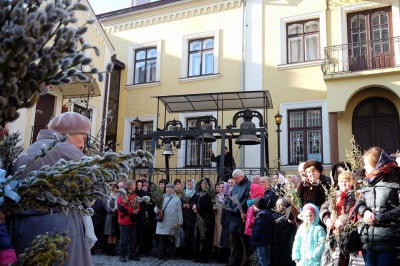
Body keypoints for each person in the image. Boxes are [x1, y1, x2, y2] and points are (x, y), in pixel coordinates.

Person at [11, 111, 92, 266]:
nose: (82, 145)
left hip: (22, 226)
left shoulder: (29, 150)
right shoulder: (65, 149)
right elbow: (92, 186)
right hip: (58, 225)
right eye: (83, 138)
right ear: (69, 134)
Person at [356, 147, 400, 265]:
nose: (364, 167)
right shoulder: (368, 180)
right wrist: (365, 211)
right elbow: (359, 202)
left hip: (390, 241)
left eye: (366, 164)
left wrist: (379, 217)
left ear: (376, 163)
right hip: (369, 241)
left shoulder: (396, 177)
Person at [320, 171, 357, 266]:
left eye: (347, 181)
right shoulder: (334, 195)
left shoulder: (357, 195)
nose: (344, 184)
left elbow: (355, 211)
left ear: (353, 182)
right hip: (333, 235)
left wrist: (342, 219)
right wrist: (326, 219)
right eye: (341, 181)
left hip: (350, 237)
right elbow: (324, 208)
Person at [226, 169, 251, 266]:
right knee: (233, 243)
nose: (235, 181)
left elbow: (246, 200)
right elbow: (231, 197)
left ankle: (245, 263)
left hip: (242, 219)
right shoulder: (236, 185)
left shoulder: (249, 185)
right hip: (233, 219)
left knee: (244, 244)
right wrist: (228, 206)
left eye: (236, 178)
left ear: (241, 176)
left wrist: (236, 209)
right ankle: (232, 262)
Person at [155, 183, 183, 261]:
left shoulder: (177, 199)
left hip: (173, 222)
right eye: (168, 188)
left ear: (173, 190)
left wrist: (180, 221)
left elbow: (179, 210)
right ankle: (161, 255)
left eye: (171, 188)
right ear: (165, 189)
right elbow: (155, 208)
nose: (169, 190)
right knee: (162, 239)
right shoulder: (161, 197)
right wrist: (157, 210)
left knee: (171, 239)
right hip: (163, 221)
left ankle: (171, 254)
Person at [190, 178, 215, 263]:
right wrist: (193, 205)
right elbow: (191, 201)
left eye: (204, 184)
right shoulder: (197, 193)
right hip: (197, 219)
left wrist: (197, 206)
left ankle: (205, 257)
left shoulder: (209, 194)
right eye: (202, 184)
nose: (203, 185)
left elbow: (208, 204)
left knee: (205, 237)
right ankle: (197, 255)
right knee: (197, 237)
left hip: (206, 219)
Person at [117, 180, 140, 262]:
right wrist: (132, 211)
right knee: (123, 240)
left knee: (132, 239)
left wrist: (137, 209)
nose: (135, 186)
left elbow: (138, 203)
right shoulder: (122, 195)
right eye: (134, 185)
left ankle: (131, 255)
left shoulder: (134, 195)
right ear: (130, 186)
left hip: (132, 221)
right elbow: (121, 207)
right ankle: (122, 255)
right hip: (124, 221)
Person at [271, 198, 296, 266]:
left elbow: (289, 228)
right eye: (277, 204)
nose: (278, 206)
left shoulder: (287, 216)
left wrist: (283, 236)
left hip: (284, 243)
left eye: (280, 205)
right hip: (274, 243)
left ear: (284, 206)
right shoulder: (273, 215)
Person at [251, 197, 275, 266]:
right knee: (267, 259)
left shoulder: (260, 217)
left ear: (257, 206)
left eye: (254, 205)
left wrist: (253, 238)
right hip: (267, 240)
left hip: (261, 241)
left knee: (262, 259)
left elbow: (258, 230)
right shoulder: (267, 214)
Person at [104, 183, 120, 256]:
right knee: (109, 233)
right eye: (114, 188)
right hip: (110, 216)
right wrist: (111, 209)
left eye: (117, 188)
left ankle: (113, 250)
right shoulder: (109, 196)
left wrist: (116, 210)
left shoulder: (120, 196)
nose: (115, 190)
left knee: (115, 233)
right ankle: (109, 250)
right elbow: (106, 206)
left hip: (117, 216)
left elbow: (120, 205)